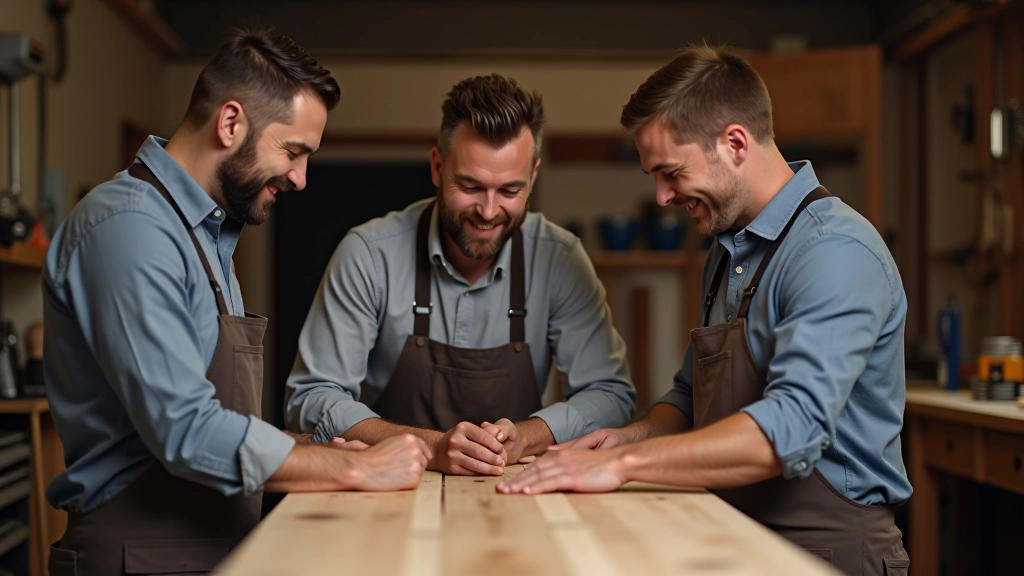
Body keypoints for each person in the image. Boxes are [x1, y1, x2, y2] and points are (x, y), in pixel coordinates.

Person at [497, 45, 911, 575]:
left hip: (829, 552)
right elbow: (692, 399)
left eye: (671, 172)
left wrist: (622, 465)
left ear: (734, 143)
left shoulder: (833, 251)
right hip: (729, 534)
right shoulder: (724, 251)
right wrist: (627, 437)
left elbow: (791, 428)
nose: (662, 196)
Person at [43, 28, 428, 576]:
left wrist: (330, 453)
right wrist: (357, 472)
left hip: (210, 550)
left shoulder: (206, 235)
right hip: (138, 557)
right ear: (230, 123)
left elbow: (221, 418)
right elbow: (186, 431)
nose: (299, 178)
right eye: (292, 152)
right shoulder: (129, 229)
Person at [285, 73, 635, 476]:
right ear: (437, 167)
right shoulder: (369, 254)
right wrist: (429, 446)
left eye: (509, 191)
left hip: (513, 491)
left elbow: (610, 395)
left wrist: (529, 434)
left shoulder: (560, 259)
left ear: (533, 177)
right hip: (385, 489)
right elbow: (311, 399)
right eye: (470, 186)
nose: (487, 211)